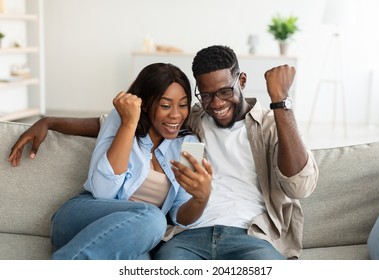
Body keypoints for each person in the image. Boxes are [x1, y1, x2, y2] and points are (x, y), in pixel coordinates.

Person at [9, 45, 318, 260]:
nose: (216, 103)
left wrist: (280, 102)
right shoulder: (159, 123)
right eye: (205, 95)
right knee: (152, 223)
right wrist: (49, 121)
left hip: (232, 236)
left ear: (242, 81)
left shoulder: (199, 137)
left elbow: (300, 186)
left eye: (225, 91)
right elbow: (109, 140)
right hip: (131, 226)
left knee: (141, 260)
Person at [24, 62, 212, 260]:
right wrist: (129, 123)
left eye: (183, 105)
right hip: (82, 218)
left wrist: (202, 197)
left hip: (132, 237)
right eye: (166, 105)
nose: (176, 114)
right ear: (145, 105)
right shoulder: (120, 121)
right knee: (154, 218)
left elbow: (180, 217)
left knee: (144, 260)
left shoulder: (188, 143)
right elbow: (103, 191)